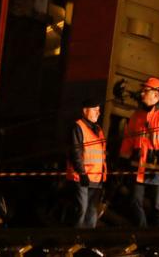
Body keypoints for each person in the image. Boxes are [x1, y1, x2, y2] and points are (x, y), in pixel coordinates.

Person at [119, 77, 159, 227]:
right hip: (139, 169)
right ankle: (143, 235)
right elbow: (128, 140)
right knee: (134, 202)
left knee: (157, 206)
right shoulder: (136, 116)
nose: (142, 94)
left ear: (156, 95)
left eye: (145, 91)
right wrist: (122, 161)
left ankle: (156, 238)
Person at [66, 98, 107, 228]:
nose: (98, 113)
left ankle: (87, 241)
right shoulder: (78, 127)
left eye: (99, 110)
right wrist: (82, 173)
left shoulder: (98, 130)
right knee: (81, 210)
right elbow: (75, 152)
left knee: (92, 213)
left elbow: (102, 155)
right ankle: (74, 240)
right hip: (81, 177)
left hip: (96, 178)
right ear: (85, 111)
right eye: (95, 110)